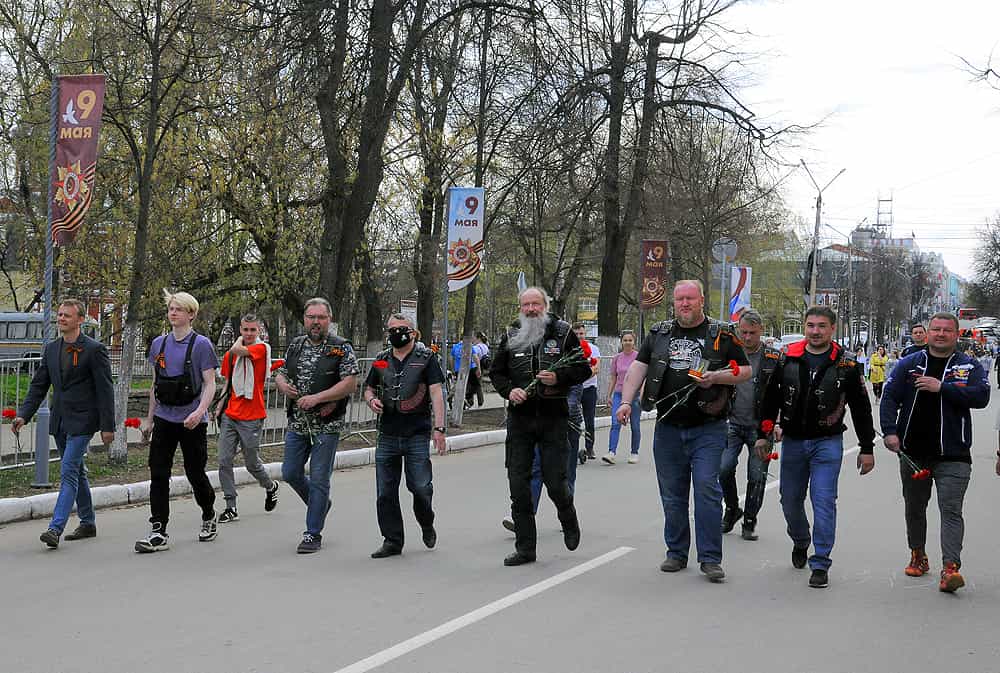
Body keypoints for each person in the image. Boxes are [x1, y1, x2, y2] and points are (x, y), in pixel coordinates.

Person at [617, 280, 750, 582]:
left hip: (709, 428)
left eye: (690, 298)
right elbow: (639, 366)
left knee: (706, 490)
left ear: (702, 300)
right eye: (679, 299)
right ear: (674, 303)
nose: (684, 304)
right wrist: (626, 401)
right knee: (673, 495)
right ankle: (676, 552)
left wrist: (717, 377)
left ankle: (710, 558)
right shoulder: (660, 333)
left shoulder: (721, 334)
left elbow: (744, 371)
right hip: (668, 427)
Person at [754, 305, 876, 589]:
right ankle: (800, 539)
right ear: (805, 327)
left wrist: (867, 447)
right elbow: (769, 399)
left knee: (823, 500)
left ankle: (820, 562)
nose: (815, 331)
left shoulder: (846, 364)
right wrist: (764, 434)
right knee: (789, 499)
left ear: (832, 329)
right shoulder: (788, 359)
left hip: (827, 443)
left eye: (822, 326)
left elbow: (861, 408)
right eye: (811, 325)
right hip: (794, 442)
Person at [881, 312, 989, 593]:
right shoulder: (909, 364)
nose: (941, 334)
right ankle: (918, 554)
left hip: (954, 454)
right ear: (928, 333)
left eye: (947, 330)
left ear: (956, 335)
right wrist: (890, 431)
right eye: (936, 329)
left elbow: (982, 397)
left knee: (951, 509)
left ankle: (950, 568)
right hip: (913, 453)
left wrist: (943, 387)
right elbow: (889, 397)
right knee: (915, 507)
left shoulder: (968, 365)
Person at [490, 286, 590, 566]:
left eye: (536, 304)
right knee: (518, 483)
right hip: (520, 420)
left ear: (545, 305)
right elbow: (496, 372)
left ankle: (568, 518)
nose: (531, 309)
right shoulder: (511, 334)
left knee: (555, 481)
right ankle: (526, 548)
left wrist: (557, 376)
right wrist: (509, 391)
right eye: (526, 305)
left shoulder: (562, 332)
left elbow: (583, 369)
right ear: (520, 308)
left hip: (553, 417)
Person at [15, 299, 115, 549]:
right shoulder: (51, 349)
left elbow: (105, 390)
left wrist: (108, 426)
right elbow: (39, 385)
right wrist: (23, 415)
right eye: (59, 315)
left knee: (69, 469)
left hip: (83, 421)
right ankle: (88, 522)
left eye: (66, 316)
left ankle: (55, 528)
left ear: (79, 320)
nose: (61, 319)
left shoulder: (94, 350)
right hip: (60, 420)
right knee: (77, 471)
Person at [135, 290, 220, 553]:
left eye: (179, 309)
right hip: (164, 418)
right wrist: (148, 420)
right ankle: (158, 529)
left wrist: (200, 412)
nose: (173, 313)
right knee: (158, 473)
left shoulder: (202, 345)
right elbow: (155, 384)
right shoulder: (159, 344)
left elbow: (210, 383)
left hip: (192, 420)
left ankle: (208, 514)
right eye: (171, 309)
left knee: (195, 473)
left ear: (191, 314)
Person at [274, 298, 359, 553]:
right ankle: (320, 504)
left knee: (320, 478)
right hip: (298, 423)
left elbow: (350, 382)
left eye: (321, 317)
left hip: (326, 424)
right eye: (311, 317)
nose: (315, 322)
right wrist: (281, 384)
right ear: (304, 319)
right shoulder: (297, 345)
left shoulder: (340, 347)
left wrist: (318, 398)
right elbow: (281, 372)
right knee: (290, 472)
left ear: (329, 320)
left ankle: (312, 533)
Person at [363, 313, 447, 558]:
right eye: (391, 329)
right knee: (385, 492)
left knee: (420, 487)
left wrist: (439, 429)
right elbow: (369, 387)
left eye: (400, 329)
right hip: (387, 434)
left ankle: (426, 521)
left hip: (416, 434)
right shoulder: (381, 360)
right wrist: (371, 400)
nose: (395, 333)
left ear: (412, 332)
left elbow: (436, 393)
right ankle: (392, 540)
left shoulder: (426, 359)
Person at [719, 309, 781, 541]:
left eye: (752, 333)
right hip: (732, 423)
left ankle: (750, 519)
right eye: (743, 332)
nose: (746, 337)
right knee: (723, 468)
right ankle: (732, 508)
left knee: (757, 476)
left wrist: (778, 422)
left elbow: (783, 392)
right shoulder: (731, 354)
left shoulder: (773, 358)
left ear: (761, 331)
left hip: (761, 428)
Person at [215, 314, 279, 523]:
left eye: (253, 330)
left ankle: (270, 486)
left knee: (251, 463)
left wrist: (239, 342)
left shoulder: (261, 349)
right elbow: (228, 382)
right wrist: (220, 405)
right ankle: (230, 506)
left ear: (258, 331)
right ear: (240, 330)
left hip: (252, 416)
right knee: (224, 460)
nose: (249, 334)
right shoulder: (230, 356)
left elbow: (237, 349)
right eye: (245, 330)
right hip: (231, 414)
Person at [604, 330, 641, 464]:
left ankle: (634, 452)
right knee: (615, 423)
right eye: (625, 340)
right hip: (619, 394)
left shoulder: (638, 357)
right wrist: (609, 395)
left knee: (635, 425)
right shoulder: (617, 358)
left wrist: (641, 394)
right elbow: (613, 378)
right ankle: (611, 452)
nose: (627, 343)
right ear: (621, 342)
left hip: (634, 395)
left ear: (634, 342)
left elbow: (643, 377)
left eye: (630, 340)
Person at [572, 323, 600, 461]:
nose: (579, 336)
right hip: (572, 390)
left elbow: (596, 369)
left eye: (581, 333)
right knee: (573, 420)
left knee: (589, 420)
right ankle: (573, 447)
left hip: (589, 389)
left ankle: (590, 448)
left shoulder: (593, 349)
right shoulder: (569, 349)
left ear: (585, 334)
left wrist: (580, 378)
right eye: (576, 334)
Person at [450, 339, 481, 409]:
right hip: (469, 369)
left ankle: (462, 403)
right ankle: (466, 397)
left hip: (458, 369)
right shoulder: (469, 346)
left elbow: (451, 358)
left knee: (461, 387)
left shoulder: (455, 347)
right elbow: (475, 357)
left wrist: (453, 369)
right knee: (476, 385)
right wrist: (479, 368)